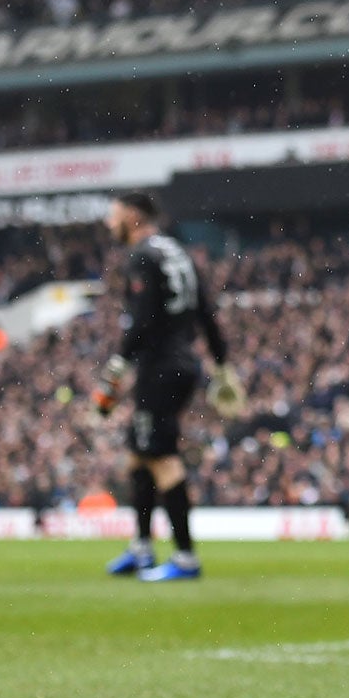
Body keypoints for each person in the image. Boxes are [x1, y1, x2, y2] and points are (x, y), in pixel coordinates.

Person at [94, 190, 242, 581]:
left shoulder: (142, 257)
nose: (110, 224)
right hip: (182, 362)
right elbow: (206, 312)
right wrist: (222, 364)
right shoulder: (178, 253)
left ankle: (186, 558)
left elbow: (141, 321)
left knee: (162, 459)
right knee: (139, 454)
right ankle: (142, 548)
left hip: (159, 366)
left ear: (133, 217)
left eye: (115, 216)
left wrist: (117, 366)